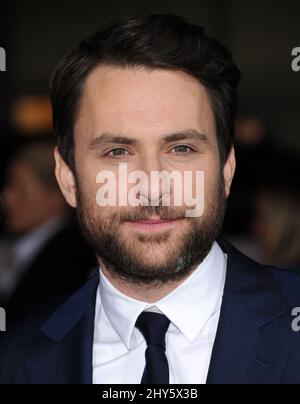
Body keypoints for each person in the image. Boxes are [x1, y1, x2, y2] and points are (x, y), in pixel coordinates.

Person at [0, 14, 300, 384]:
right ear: (68, 178)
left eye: (181, 148)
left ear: (226, 169)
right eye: (117, 153)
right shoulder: (15, 360)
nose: (153, 187)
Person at [0, 140, 97, 319]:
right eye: (8, 186)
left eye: (20, 190)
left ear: (56, 195)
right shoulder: (18, 248)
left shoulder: (71, 260)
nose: (7, 198)